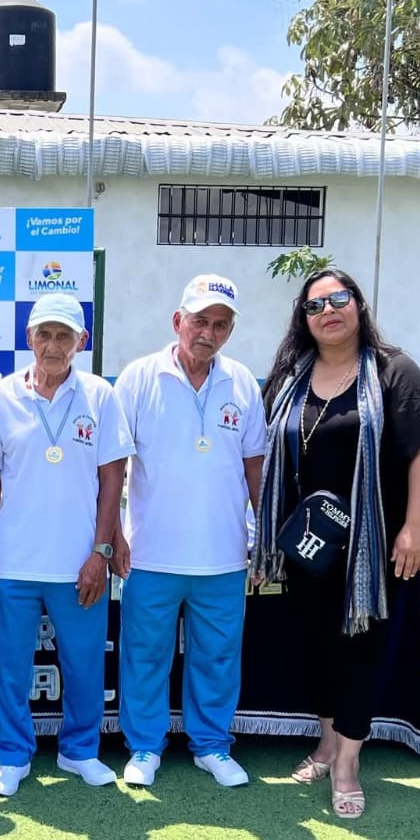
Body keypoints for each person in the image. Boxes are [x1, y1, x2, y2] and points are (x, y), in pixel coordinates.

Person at [253, 268, 420, 819]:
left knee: (360, 653)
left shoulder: (392, 370)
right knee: (314, 648)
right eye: (315, 305)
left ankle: (347, 764)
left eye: (339, 299)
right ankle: (326, 744)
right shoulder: (290, 375)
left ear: (358, 306)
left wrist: (415, 527)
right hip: (308, 546)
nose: (328, 311)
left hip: (375, 546)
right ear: (303, 318)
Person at [0, 293, 133, 796]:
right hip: (14, 561)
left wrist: (100, 552)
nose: (54, 345)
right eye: (45, 334)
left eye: (65, 336)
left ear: (81, 342)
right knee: (8, 668)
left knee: (84, 666)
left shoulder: (100, 396)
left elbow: (113, 478)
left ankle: (79, 750)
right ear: (29, 338)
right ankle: (13, 756)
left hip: (78, 563)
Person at [112, 275, 268, 790]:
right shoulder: (139, 377)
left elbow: (254, 465)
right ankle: (144, 746)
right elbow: (113, 464)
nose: (208, 333)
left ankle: (212, 745)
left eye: (221, 324)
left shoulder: (242, 382)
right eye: (200, 320)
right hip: (150, 552)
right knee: (145, 654)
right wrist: (113, 534)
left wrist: (263, 535)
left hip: (223, 554)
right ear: (178, 320)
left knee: (218, 657)